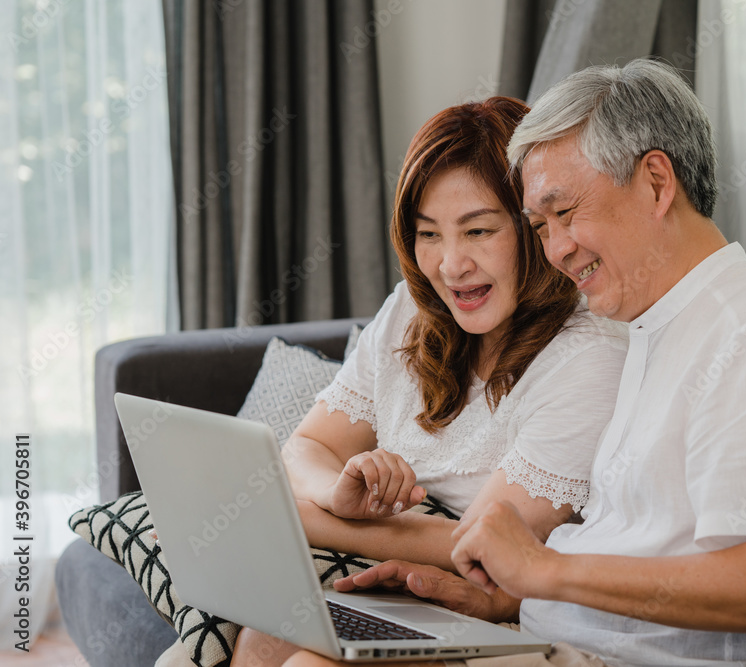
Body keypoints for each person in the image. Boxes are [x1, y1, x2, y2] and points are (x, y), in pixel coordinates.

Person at [287, 59, 746, 667]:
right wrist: (507, 602)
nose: (556, 250)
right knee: (295, 636)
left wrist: (545, 572)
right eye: (539, 225)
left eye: (565, 213)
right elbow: (640, 548)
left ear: (655, 183)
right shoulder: (654, 328)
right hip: (551, 638)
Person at [213, 97, 627, 667]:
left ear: (535, 228)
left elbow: (487, 545)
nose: (451, 265)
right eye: (428, 234)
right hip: (397, 575)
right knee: (261, 637)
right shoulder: (414, 307)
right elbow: (307, 448)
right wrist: (338, 493)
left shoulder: (589, 352)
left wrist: (309, 517)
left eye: (478, 230)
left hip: (494, 595)